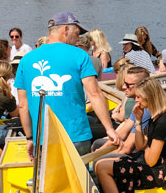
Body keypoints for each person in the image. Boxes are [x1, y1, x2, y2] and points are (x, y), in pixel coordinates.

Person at [16, 12, 120, 157]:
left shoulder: (26, 60)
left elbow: (23, 104)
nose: (79, 39)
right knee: (76, 178)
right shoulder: (80, 55)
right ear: (65, 30)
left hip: (42, 138)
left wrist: (29, 137)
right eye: (77, 33)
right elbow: (94, 93)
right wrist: (109, 129)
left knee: (48, 179)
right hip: (76, 136)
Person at [95, 77, 166, 193]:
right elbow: (140, 146)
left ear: (150, 97)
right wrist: (139, 121)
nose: (136, 100)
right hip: (155, 164)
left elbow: (151, 161)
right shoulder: (155, 116)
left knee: (102, 167)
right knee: (99, 164)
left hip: (161, 172)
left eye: (139, 97)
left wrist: (147, 146)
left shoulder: (164, 122)